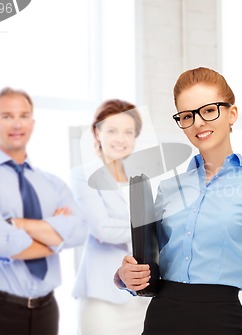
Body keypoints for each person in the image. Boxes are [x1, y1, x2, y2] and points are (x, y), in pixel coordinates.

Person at [115, 67, 242, 335]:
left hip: (221, 320)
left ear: (232, 113)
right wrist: (125, 278)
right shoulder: (168, 189)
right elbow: (147, 263)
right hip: (161, 319)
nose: (198, 123)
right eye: (187, 116)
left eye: (208, 110)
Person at [0, 87, 86, 335]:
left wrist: (17, 223)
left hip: (46, 311)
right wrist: (55, 237)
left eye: (24, 115)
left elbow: (80, 230)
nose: (17, 123)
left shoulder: (53, 183)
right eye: (6, 116)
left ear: (33, 123)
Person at [71, 99, 150, 335]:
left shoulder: (141, 179)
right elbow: (102, 229)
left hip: (140, 293)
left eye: (128, 132)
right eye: (112, 131)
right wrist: (146, 228)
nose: (121, 139)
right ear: (97, 133)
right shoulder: (83, 175)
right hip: (102, 295)